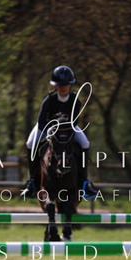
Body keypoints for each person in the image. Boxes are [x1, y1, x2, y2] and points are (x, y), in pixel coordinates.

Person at [23, 65, 98, 198]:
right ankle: (32, 182)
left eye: (66, 84)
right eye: (60, 85)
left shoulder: (75, 100)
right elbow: (41, 121)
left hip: (67, 129)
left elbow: (74, 121)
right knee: (30, 143)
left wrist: (64, 130)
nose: (63, 87)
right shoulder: (49, 100)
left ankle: (85, 182)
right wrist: (52, 130)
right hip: (46, 128)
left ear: (70, 85)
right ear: (55, 85)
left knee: (85, 143)